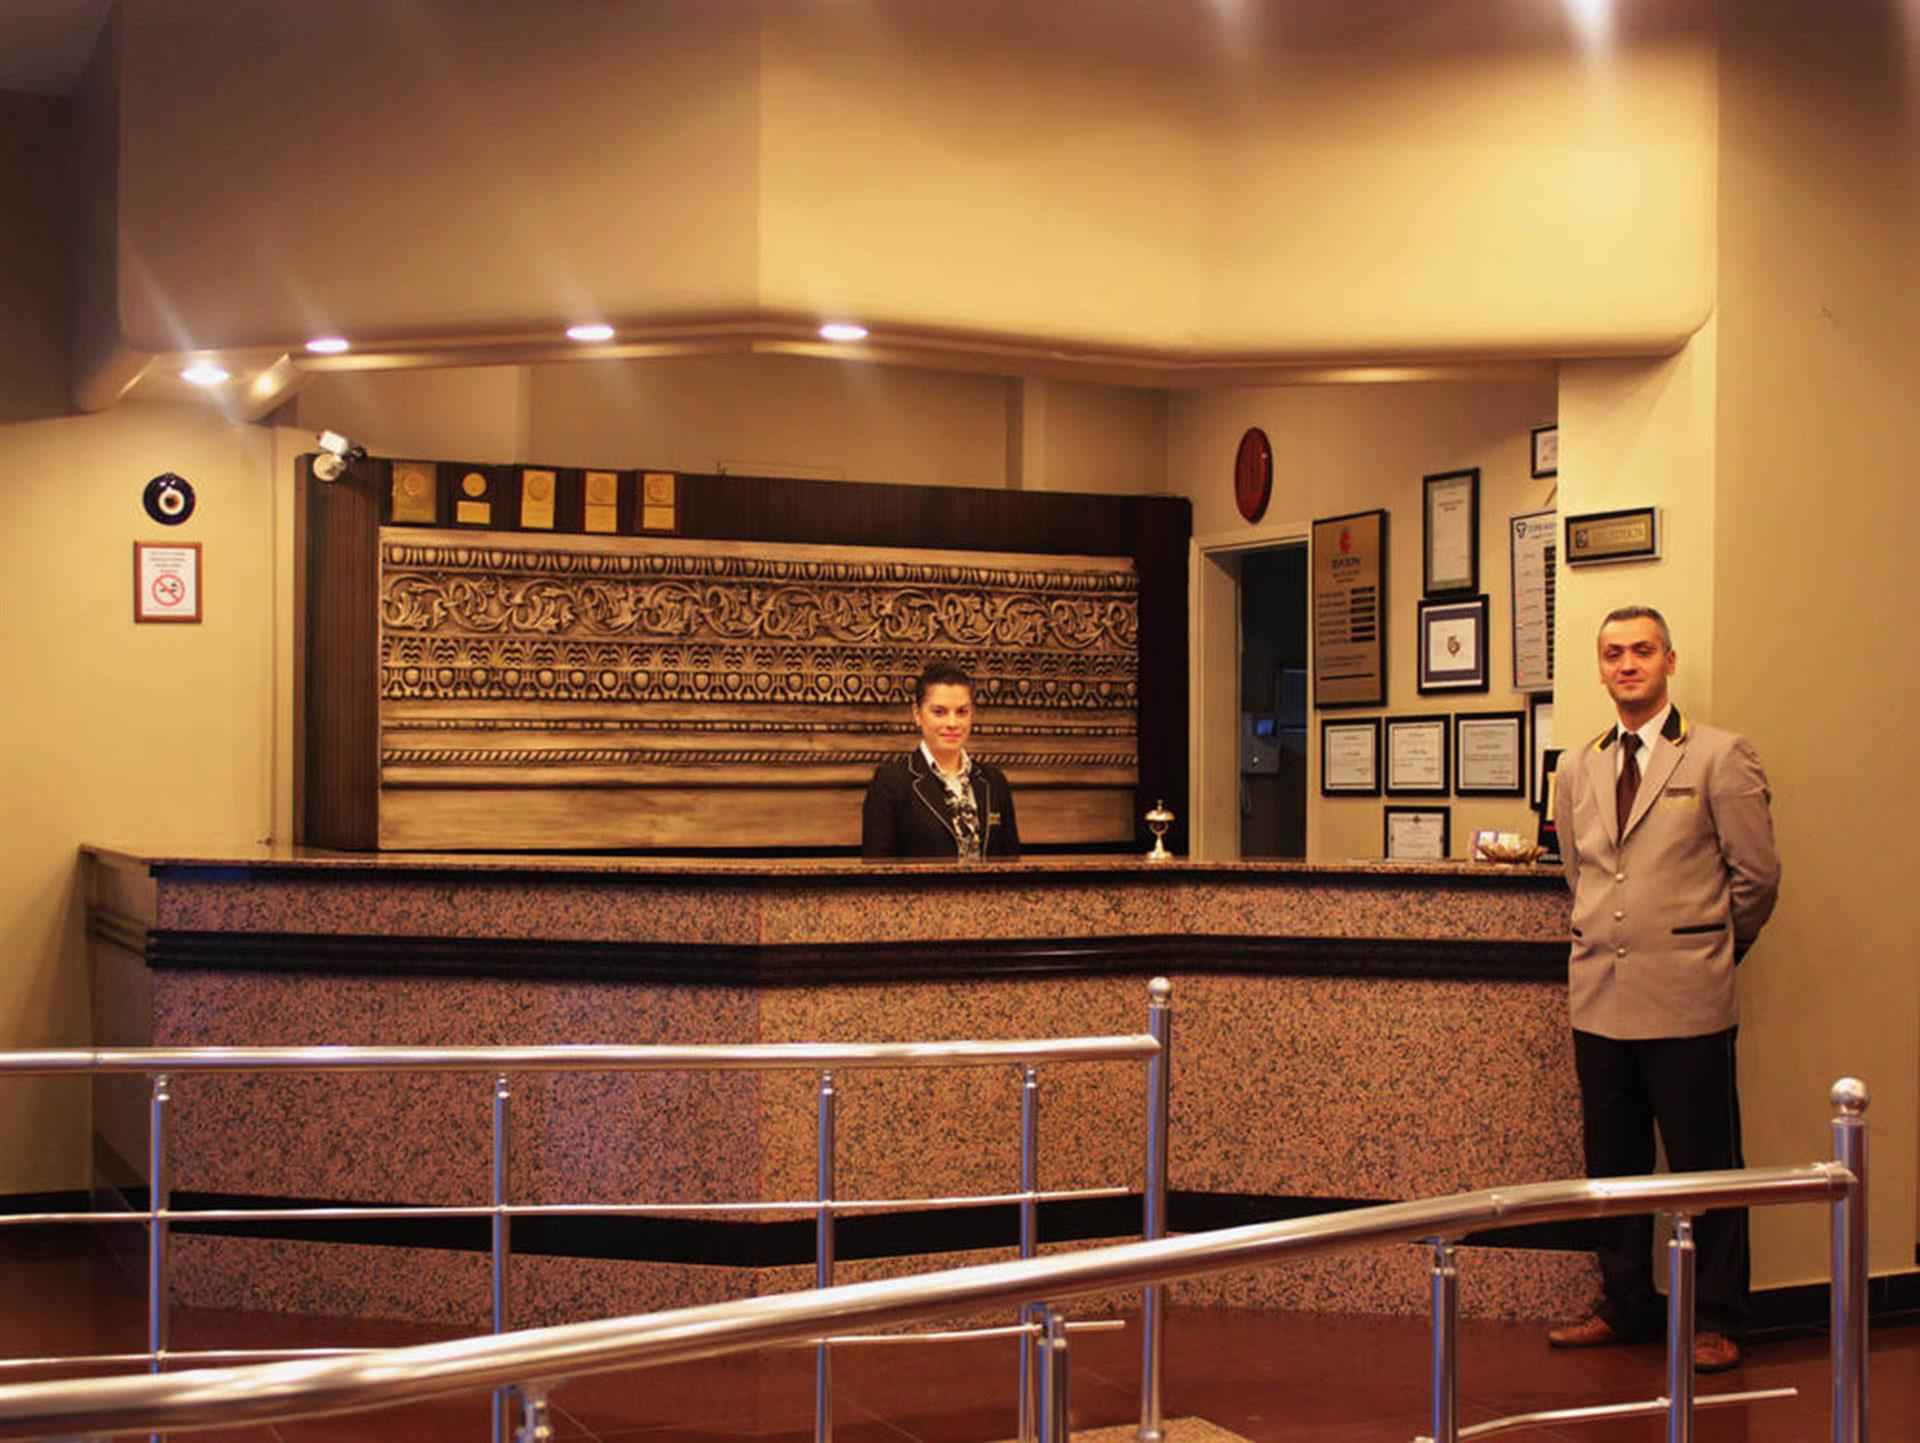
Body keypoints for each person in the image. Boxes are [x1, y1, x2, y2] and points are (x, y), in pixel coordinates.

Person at [1548, 605, 1780, 1373]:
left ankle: (1717, 1314)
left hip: (1688, 999)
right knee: (1611, 1165)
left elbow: (1756, 878)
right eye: (1613, 652)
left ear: (1669, 661)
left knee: (1705, 1164)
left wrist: (1712, 949)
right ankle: (1625, 1301)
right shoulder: (1577, 765)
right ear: (1601, 667)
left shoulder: (1718, 755)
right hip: (1600, 997)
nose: (1627, 664)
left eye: (1642, 650)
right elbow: (1580, 874)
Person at [861, 661, 1020, 860]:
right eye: (939, 712)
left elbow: (1013, 863)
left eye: (961, 712)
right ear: (917, 714)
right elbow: (877, 870)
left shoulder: (994, 781)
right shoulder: (890, 783)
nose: (952, 723)